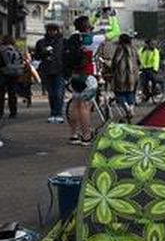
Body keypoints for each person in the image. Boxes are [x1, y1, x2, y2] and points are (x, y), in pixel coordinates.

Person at [64, 15, 103, 145]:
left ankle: (73, 134)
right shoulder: (92, 39)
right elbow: (115, 32)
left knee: (75, 104)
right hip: (88, 75)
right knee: (85, 106)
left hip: (75, 76)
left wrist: (96, 17)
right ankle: (86, 136)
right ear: (88, 27)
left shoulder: (73, 38)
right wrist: (110, 17)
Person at [33, 23, 66, 123]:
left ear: (57, 31)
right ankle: (53, 113)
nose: (52, 32)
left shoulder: (63, 42)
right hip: (47, 70)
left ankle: (58, 113)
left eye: (54, 30)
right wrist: (44, 53)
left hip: (60, 70)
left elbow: (67, 56)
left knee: (58, 93)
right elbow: (37, 56)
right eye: (50, 30)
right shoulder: (41, 42)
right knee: (51, 94)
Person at [108, 34, 139, 119]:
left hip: (121, 75)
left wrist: (111, 69)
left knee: (119, 93)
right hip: (133, 75)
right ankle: (131, 109)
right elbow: (139, 61)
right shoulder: (134, 48)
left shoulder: (120, 48)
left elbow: (116, 61)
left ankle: (126, 107)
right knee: (131, 93)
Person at [1, 35, 24, 118]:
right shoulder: (17, 49)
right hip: (15, 73)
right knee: (12, 93)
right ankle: (13, 112)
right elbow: (22, 61)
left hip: (3, 73)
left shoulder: (1, 49)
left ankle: (1, 112)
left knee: (1, 94)